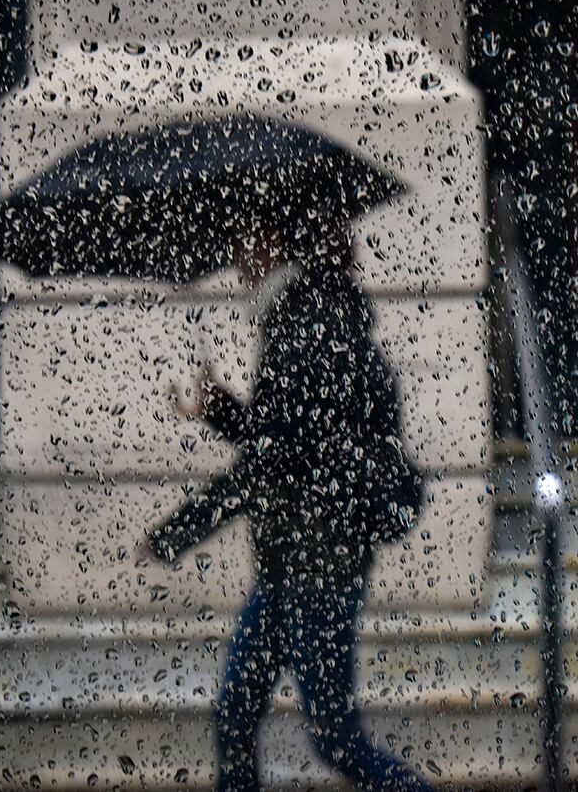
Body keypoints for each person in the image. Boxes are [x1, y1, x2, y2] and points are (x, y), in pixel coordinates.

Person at [140, 214, 432, 792]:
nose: (239, 253)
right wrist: (218, 410)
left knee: (336, 739)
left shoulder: (306, 330)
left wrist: (175, 532)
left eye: (251, 239)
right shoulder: (308, 321)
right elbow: (287, 442)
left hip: (315, 567)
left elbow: (271, 463)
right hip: (293, 562)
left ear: (282, 246)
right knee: (236, 718)